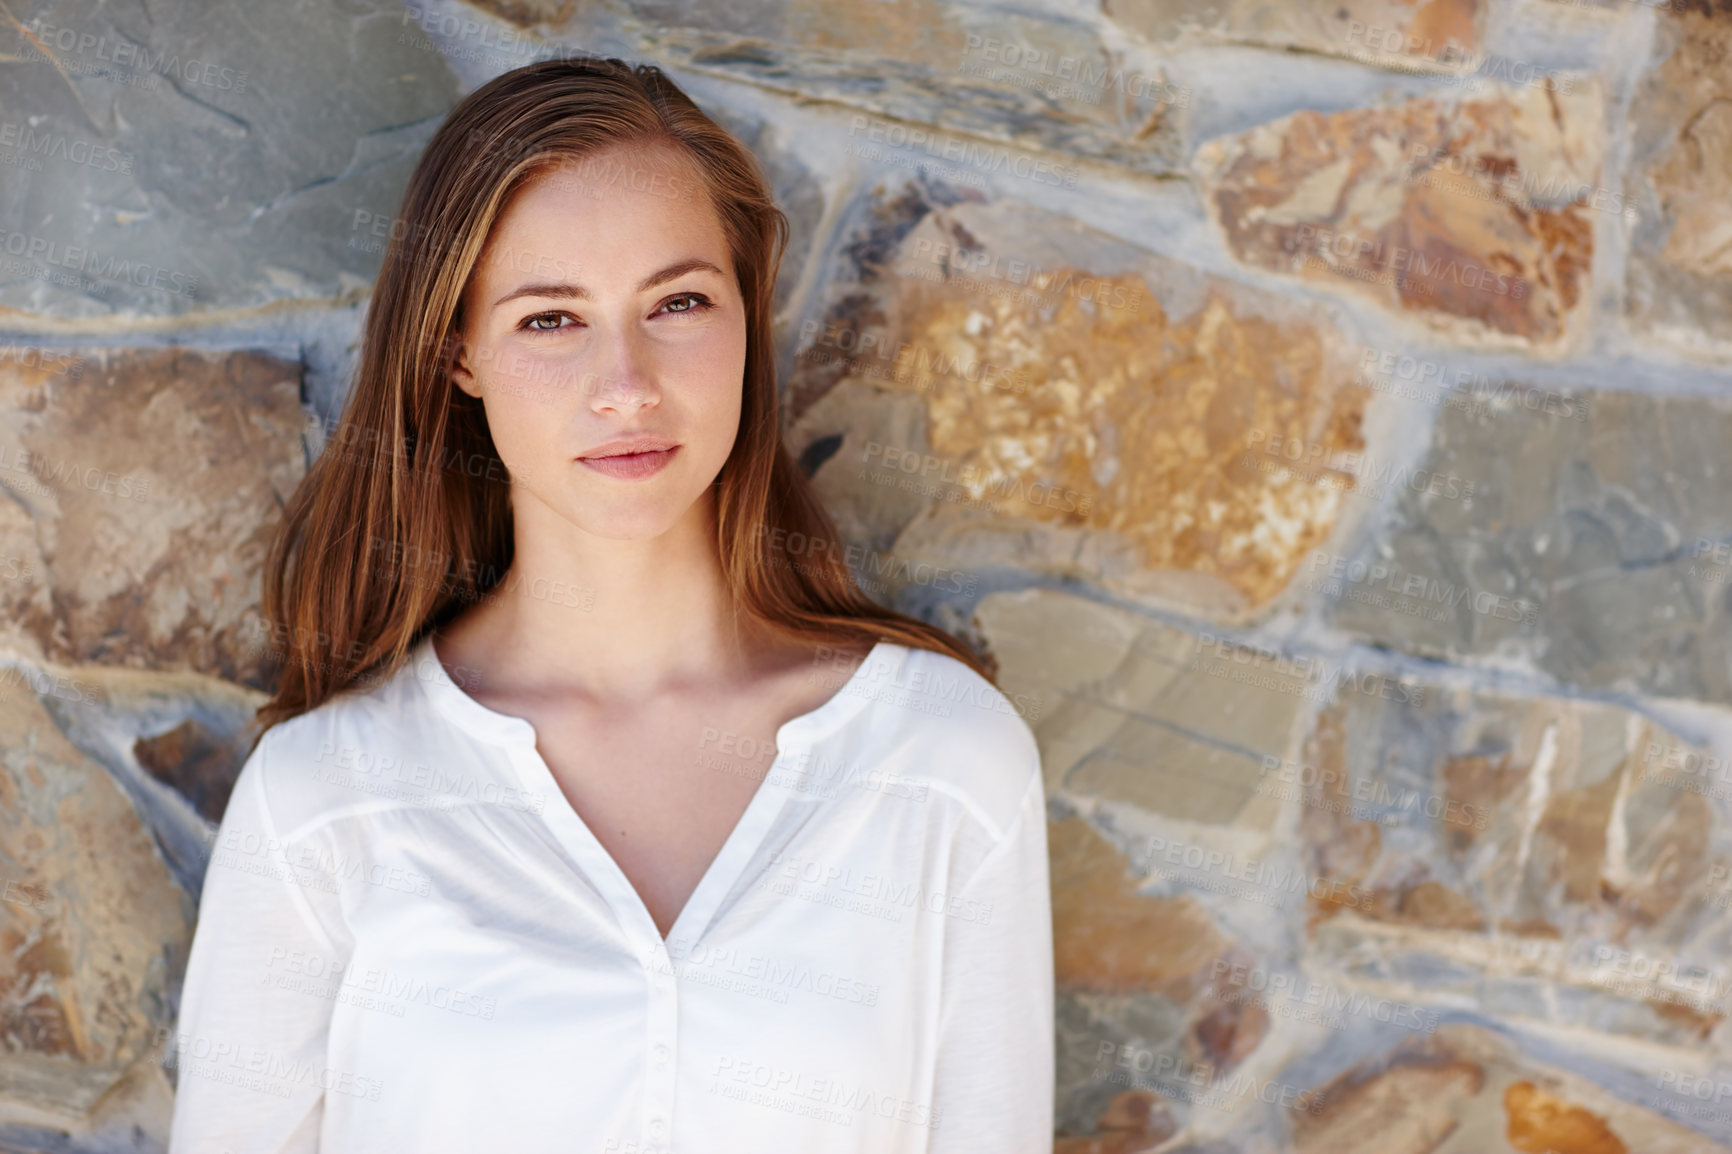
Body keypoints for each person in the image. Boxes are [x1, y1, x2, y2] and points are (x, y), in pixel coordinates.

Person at [167, 55, 1053, 1154]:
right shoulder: (322, 801)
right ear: (459, 355)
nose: (625, 383)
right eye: (550, 320)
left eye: (678, 302)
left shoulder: (942, 757)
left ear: (745, 320)